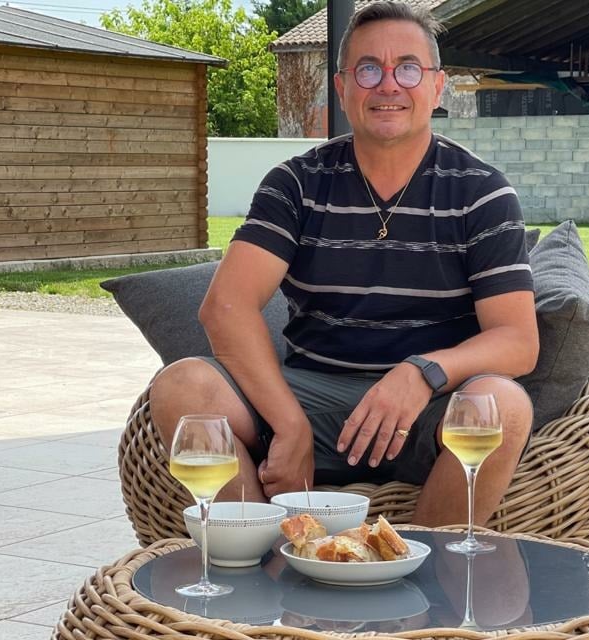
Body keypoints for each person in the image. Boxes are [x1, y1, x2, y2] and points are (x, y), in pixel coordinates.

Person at [150, 1, 539, 527]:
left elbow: (518, 340)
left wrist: (421, 373)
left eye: (407, 68)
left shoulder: (482, 192)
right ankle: (261, 568)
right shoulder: (297, 183)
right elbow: (226, 306)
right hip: (311, 394)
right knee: (182, 386)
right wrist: (290, 427)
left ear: (437, 86)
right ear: (342, 87)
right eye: (368, 69)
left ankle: (426, 579)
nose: (388, 85)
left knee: (505, 404)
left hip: (430, 411)